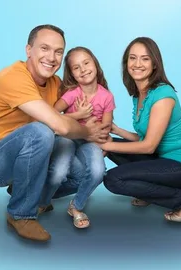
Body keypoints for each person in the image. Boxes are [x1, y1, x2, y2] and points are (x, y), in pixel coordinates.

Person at [0, 24, 109, 242]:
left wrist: (101, 138)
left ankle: (30, 192)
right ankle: (20, 214)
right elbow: (59, 125)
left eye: (58, 51)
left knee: (85, 172)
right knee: (41, 132)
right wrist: (88, 132)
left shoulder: (55, 84)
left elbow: (65, 119)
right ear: (28, 50)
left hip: (25, 158)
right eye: (44, 48)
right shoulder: (13, 77)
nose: (51, 57)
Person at [99, 37, 181, 222]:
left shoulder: (163, 95)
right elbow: (144, 137)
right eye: (132, 58)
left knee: (112, 179)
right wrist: (116, 131)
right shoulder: (139, 94)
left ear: (155, 64)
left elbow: (148, 146)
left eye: (145, 58)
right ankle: (149, 192)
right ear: (126, 63)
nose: (137, 64)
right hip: (161, 158)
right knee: (112, 145)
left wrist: (108, 145)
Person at [38, 47, 116, 229]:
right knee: (59, 172)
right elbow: (52, 115)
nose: (83, 69)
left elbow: (105, 128)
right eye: (76, 67)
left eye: (86, 63)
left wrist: (90, 122)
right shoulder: (73, 93)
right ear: (72, 74)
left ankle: (76, 206)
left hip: (90, 141)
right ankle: (43, 201)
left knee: (98, 172)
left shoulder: (107, 97)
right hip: (67, 137)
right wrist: (78, 114)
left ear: (95, 64)